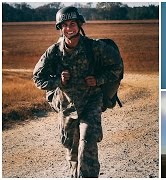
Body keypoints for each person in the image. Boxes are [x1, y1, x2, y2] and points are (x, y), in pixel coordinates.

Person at [32, 6, 123, 178]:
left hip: (91, 102)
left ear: (79, 24)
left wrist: (99, 80)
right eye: (64, 24)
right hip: (67, 106)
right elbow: (38, 78)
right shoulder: (53, 52)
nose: (69, 28)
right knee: (72, 150)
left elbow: (117, 66)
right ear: (60, 28)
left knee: (87, 143)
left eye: (72, 23)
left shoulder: (94, 47)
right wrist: (58, 80)